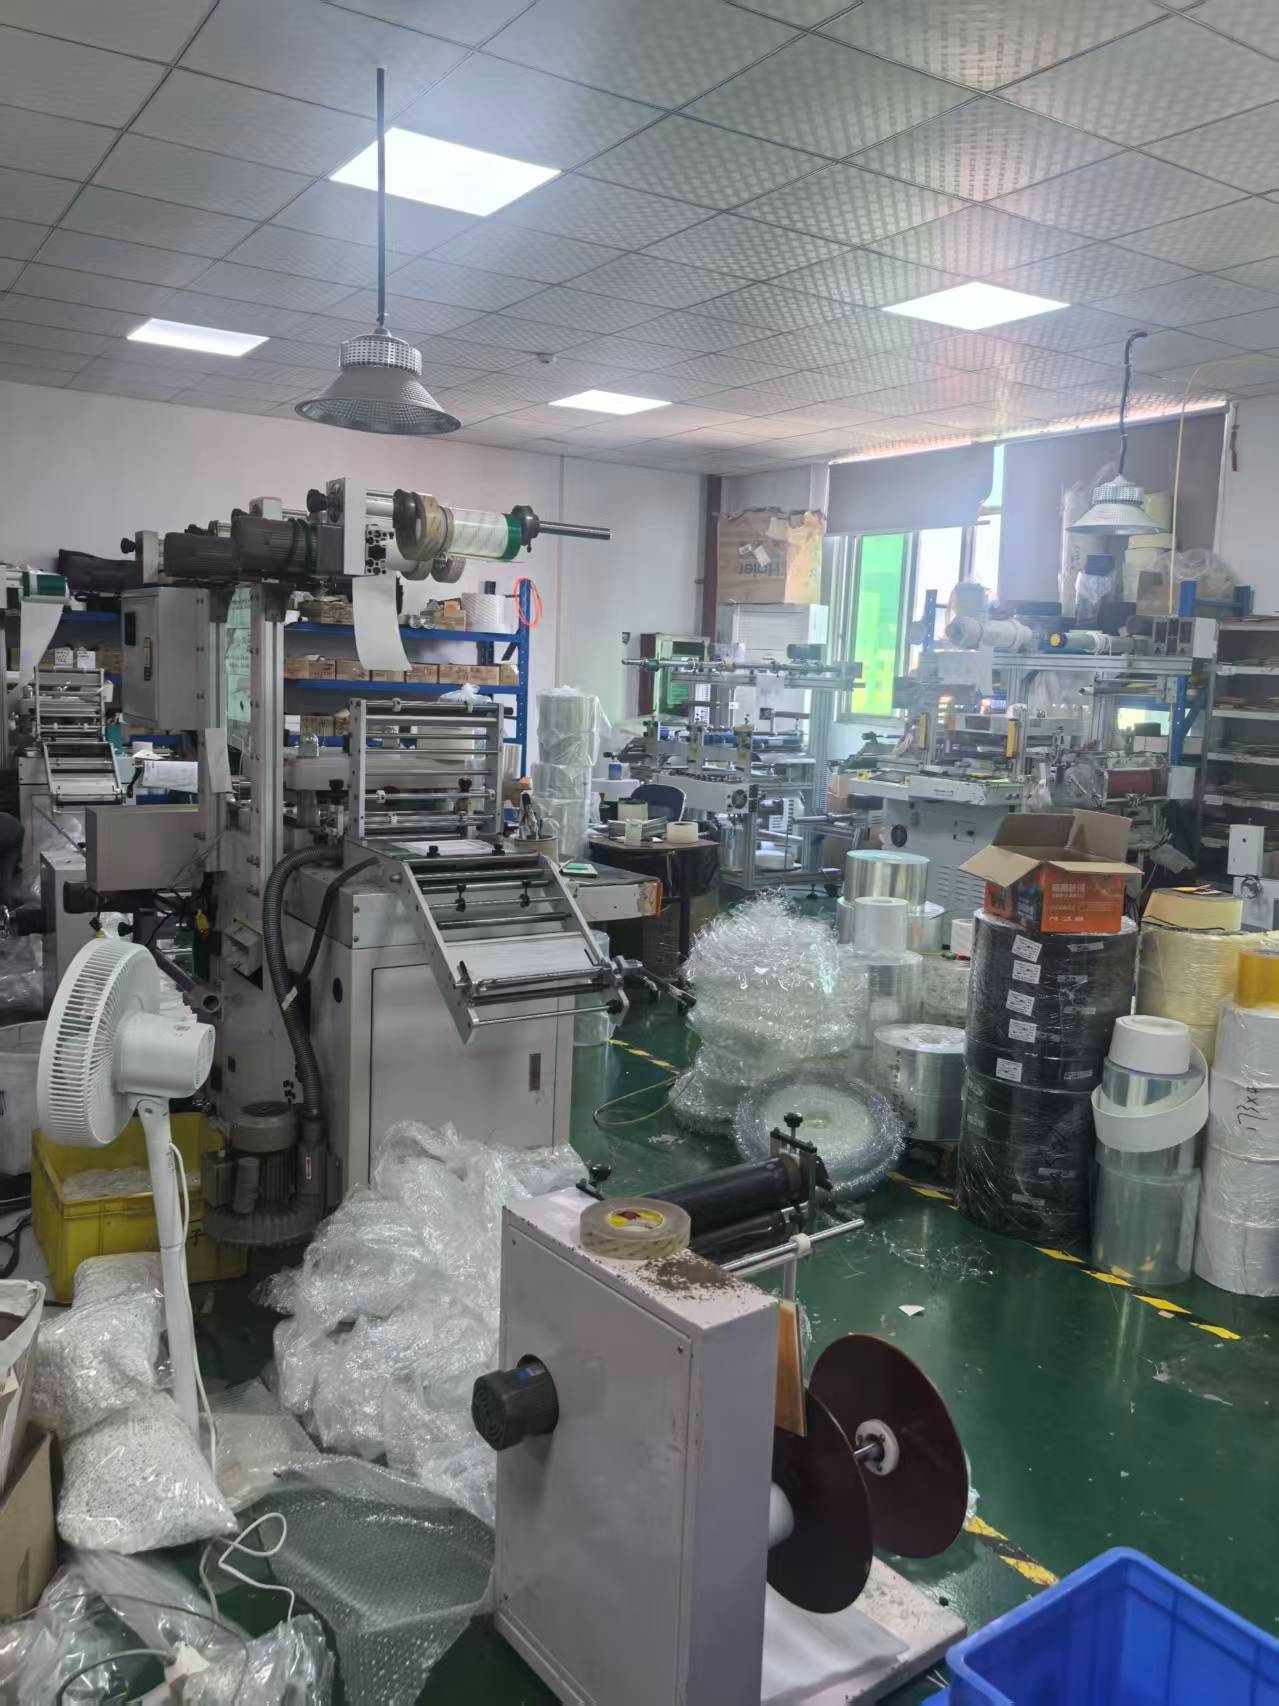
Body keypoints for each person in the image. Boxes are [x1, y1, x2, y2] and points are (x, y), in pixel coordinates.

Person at [0, 814, 21, 907]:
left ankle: (5, 909)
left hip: (8, 832)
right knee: (6, 877)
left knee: (4, 882)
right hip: (11, 825)